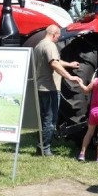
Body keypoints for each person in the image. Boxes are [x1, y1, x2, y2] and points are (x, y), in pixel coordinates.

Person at [33, 24, 82, 156]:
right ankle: (45, 149)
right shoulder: (50, 45)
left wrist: (69, 64)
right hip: (50, 88)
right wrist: (70, 76)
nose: (58, 39)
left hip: (40, 87)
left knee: (43, 119)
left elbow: (56, 60)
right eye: (58, 36)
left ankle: (40, 147)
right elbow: (54, 63)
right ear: (54, 34)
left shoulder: (39, 45)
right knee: (50, 120)